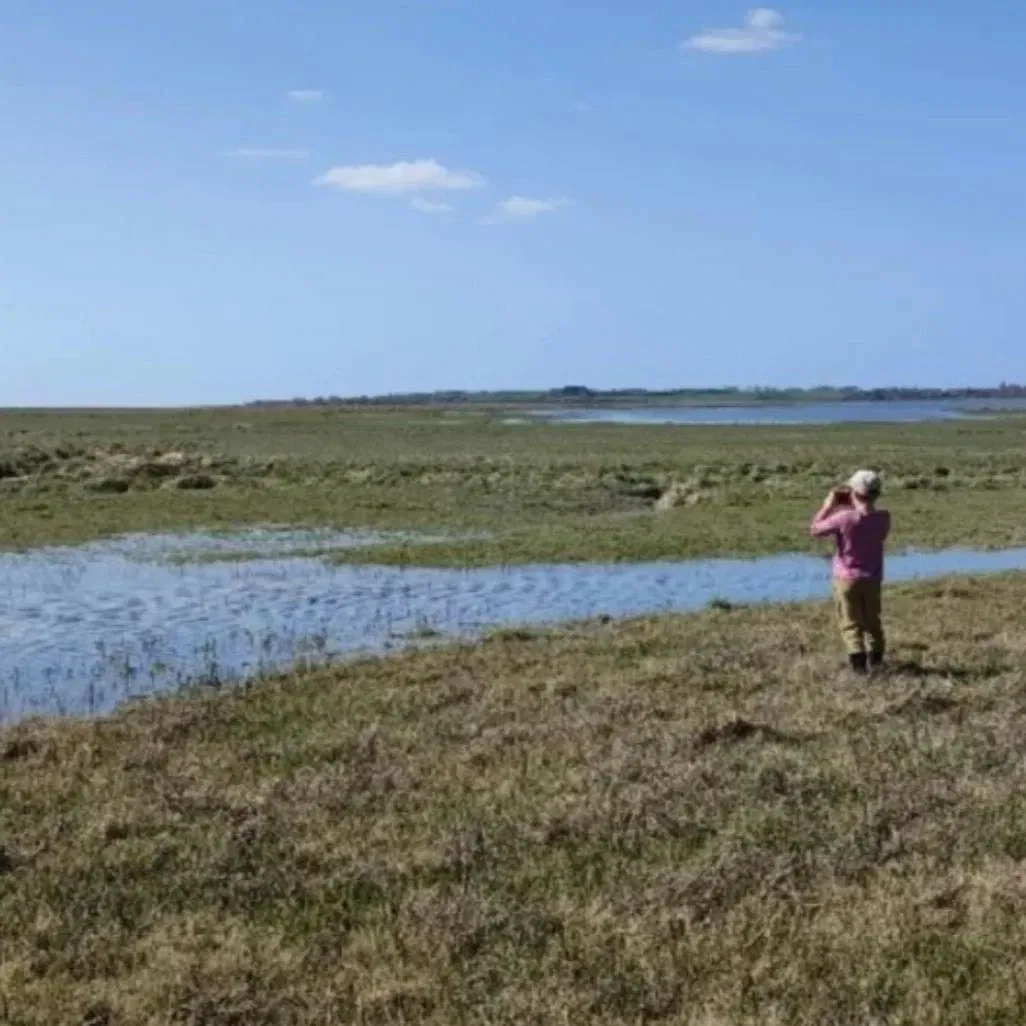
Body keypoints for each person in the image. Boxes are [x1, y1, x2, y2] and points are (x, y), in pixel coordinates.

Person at [810, 469, 891, 673]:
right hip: (873, 579)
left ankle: (859, 669)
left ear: (854, 493)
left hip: (846, 578)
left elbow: (815, 529)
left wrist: (828, 506)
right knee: (873, 622)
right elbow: (864, 517)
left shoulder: (843, 517)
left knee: (850, 624)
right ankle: (877, 663)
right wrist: (851, 503)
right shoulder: (884, 518)